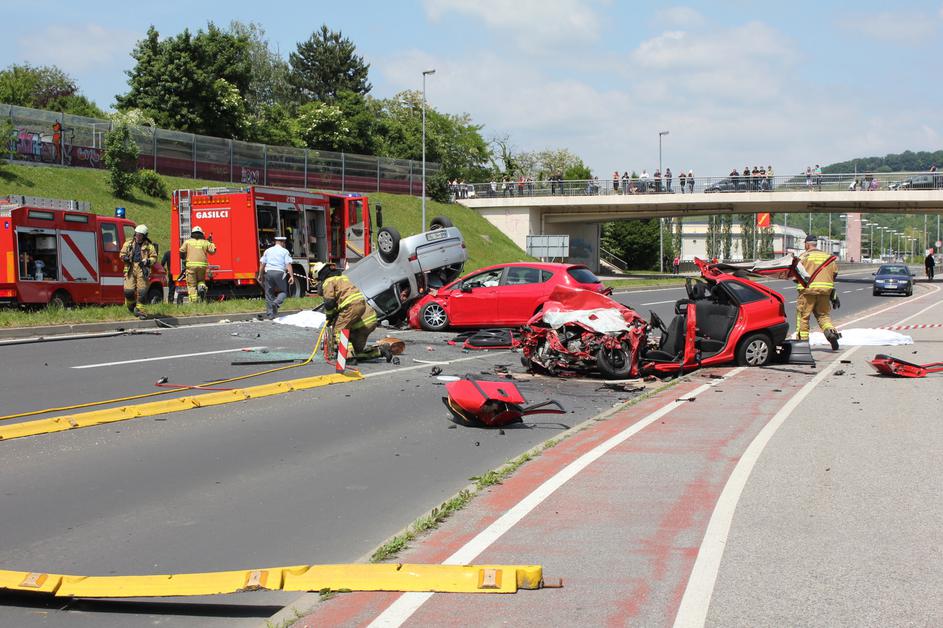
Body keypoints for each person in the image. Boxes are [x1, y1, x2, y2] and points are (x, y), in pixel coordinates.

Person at [312, 262, 392, 363]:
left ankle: (349, 357)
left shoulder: (328, 281)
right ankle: (379, 351)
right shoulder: (343, 278)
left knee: (339, 331)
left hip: (350, 307)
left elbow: (329, 302)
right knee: (357, 351)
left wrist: (329, 316)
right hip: (368, 318)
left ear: (320, 275)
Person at [796, 234, 841, 350]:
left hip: (808, 292)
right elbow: (834, 275)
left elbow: (796, 275)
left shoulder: (803, 257)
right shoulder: (828, 257)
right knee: (823, 316)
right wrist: (832, 294)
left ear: (807, 244)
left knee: (803, 317)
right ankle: (831, 333)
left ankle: (802, 344)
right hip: (825, 292)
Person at [119, 224, 158, 319]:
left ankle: (140, 311)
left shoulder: (149, 246)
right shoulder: (128, 244)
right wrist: (125, 258)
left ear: (144, 236)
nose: (138, 236)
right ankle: (132, 306)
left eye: (140, 235)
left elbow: (154, 258)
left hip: (142, 269)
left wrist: (148, 261)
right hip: (130, 268)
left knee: (142, 291)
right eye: (137, 234)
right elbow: (121, 254)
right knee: (128, 291)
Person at [257, 235, 294, 319]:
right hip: (280, 273)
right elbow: (288, 264)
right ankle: (276, 302)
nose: (284, 244)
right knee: (283, 292)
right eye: (284, 243)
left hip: (269, 273)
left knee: (269, 293)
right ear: (282, 242)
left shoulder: (267, 251)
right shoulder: (285, 251)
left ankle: (270, 315)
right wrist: (291, 276)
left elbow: (262, 264)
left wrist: (260, 275)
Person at [178, 225, 216, 302]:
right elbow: (213, 251)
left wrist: (184, 258)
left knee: (192, 285)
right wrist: (210, 242)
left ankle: (193, 301)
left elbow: (181, 251)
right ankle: (201, 287)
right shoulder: (205, 242)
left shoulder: (187, 242)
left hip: (191, 267)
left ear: (192, 233)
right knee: (201, 280)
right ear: (201, 233)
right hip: (202, 267)